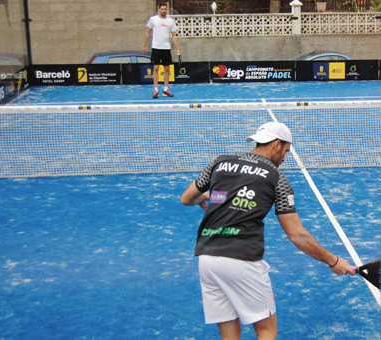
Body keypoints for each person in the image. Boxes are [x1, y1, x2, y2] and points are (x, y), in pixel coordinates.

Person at [180, 122, 355, 340]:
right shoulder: (277, 179)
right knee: (266, 330)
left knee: (229, 335)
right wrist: (333, 261)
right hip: (241, 259)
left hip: (207, 258)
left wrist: (208, 196)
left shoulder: (220, 162)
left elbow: (186, 199)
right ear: (276, 145)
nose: (284, 159)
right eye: (286, 152)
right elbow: (297, 235)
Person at [142, 3, 181, 98]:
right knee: (155, 68)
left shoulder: (170, 21)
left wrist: (178, 48)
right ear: (159, 9)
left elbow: (174, 35)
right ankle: (155, 91)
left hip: (166, 48)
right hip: (156, 47)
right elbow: (148, 32)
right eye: (162, 9)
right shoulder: (153, 20)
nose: (164, 10)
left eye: (165, 9)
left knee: (167, 69)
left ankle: (165, 90)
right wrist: (144, 44)